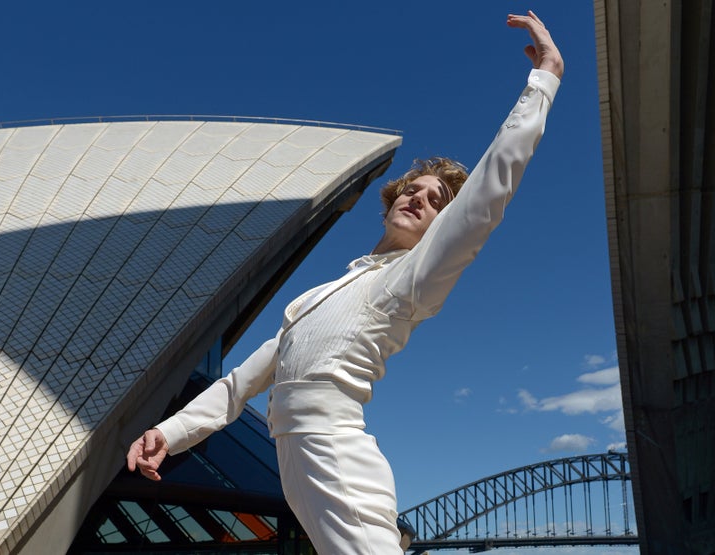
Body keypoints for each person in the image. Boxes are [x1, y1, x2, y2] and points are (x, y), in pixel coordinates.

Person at [127, 11, 564, 554]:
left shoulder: (414, 278)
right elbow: (239, 385)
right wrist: (168, 435)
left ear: (438, 228)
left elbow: (486, 195)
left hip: (334, 448)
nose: (418, 199)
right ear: (389, 204)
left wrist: (543, 79)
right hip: (294, 458)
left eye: (435, 202)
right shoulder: (314, 297)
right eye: (412, 190)